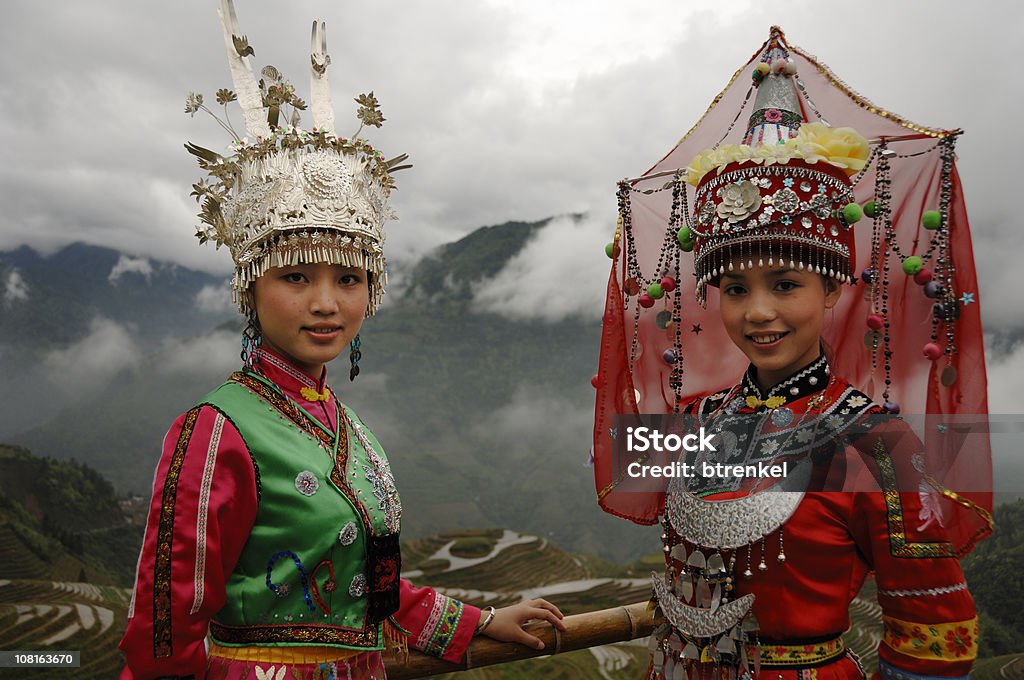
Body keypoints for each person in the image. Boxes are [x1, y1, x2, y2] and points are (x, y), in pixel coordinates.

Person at [119, 4, 563, 678]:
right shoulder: (213, 434)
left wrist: (477, 622)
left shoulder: (346, 426)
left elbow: (373, 588)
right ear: (251, 287)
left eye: (349, 279)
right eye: (296, 276)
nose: (327, 303)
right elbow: (162, 635)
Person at [593, 28, 992, 680]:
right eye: (735, 288)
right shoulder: (689, 423)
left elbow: (935, 634)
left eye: (785, 285)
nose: (757, 312)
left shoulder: (881, 443)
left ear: (833, 288)